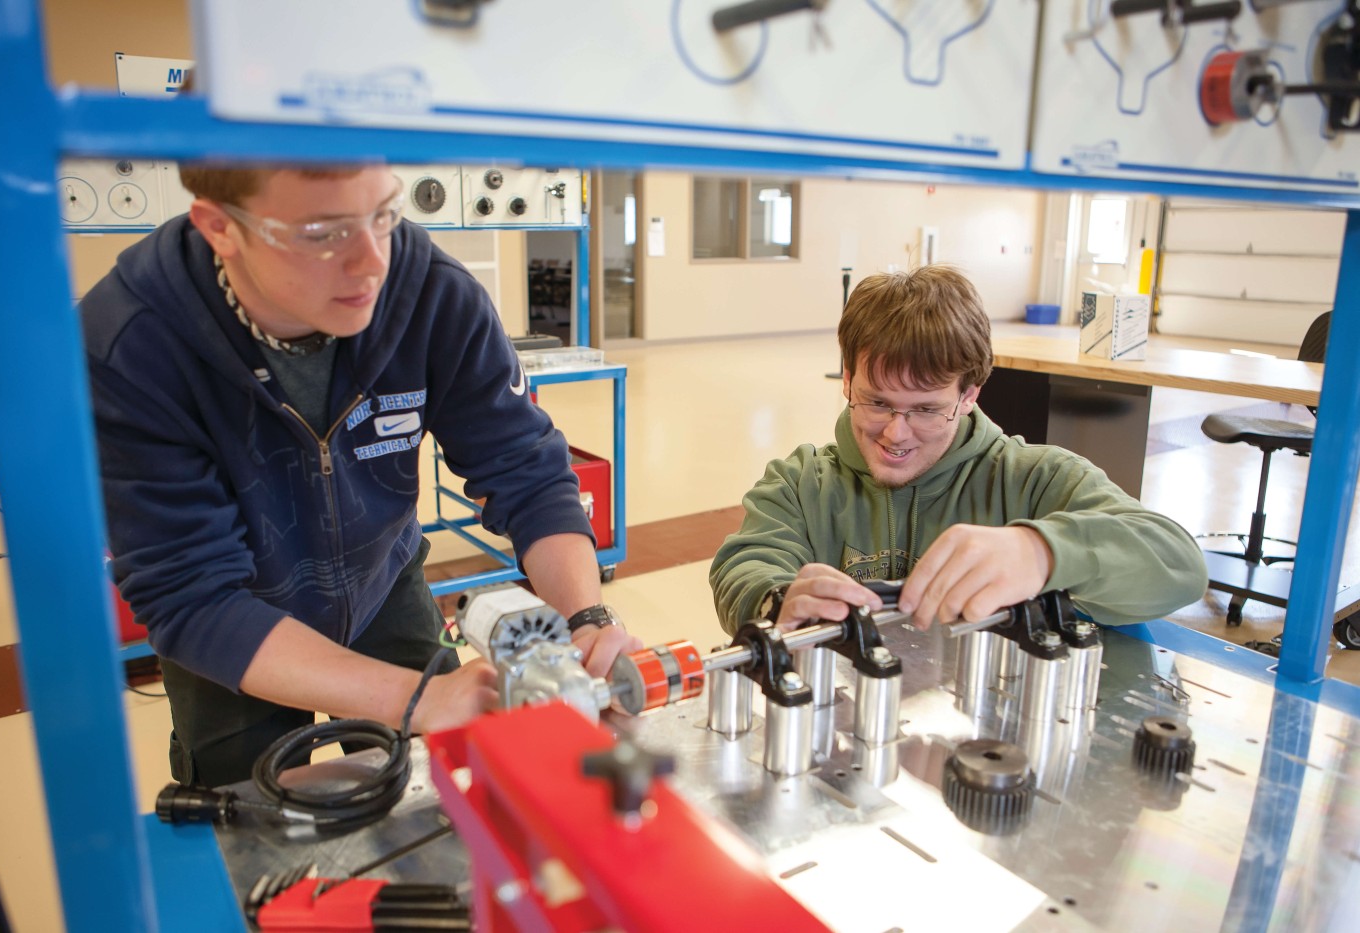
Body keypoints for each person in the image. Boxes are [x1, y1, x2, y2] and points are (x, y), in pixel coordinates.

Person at [81, 163, 638, 786]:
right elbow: (192, 594)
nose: (373, 261)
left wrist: (587, 618)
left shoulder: (432, 295)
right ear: (220, 227)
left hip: (382, 584)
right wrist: (424, 700)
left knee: (438, 788)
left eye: (383, 214)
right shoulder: (131, 344)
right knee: (249, 817)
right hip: (235, 623)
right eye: (323, 232)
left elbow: (526, 470)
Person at [710, 265, 1207, 636]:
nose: (896, 433)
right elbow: (744, 564)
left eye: (926, 410)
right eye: (876, 402)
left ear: (970, 396)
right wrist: (777, 601)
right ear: (846, 380)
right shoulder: (801, 483)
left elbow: (1179, 566)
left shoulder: (1036, 479)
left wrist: (1044, 552)